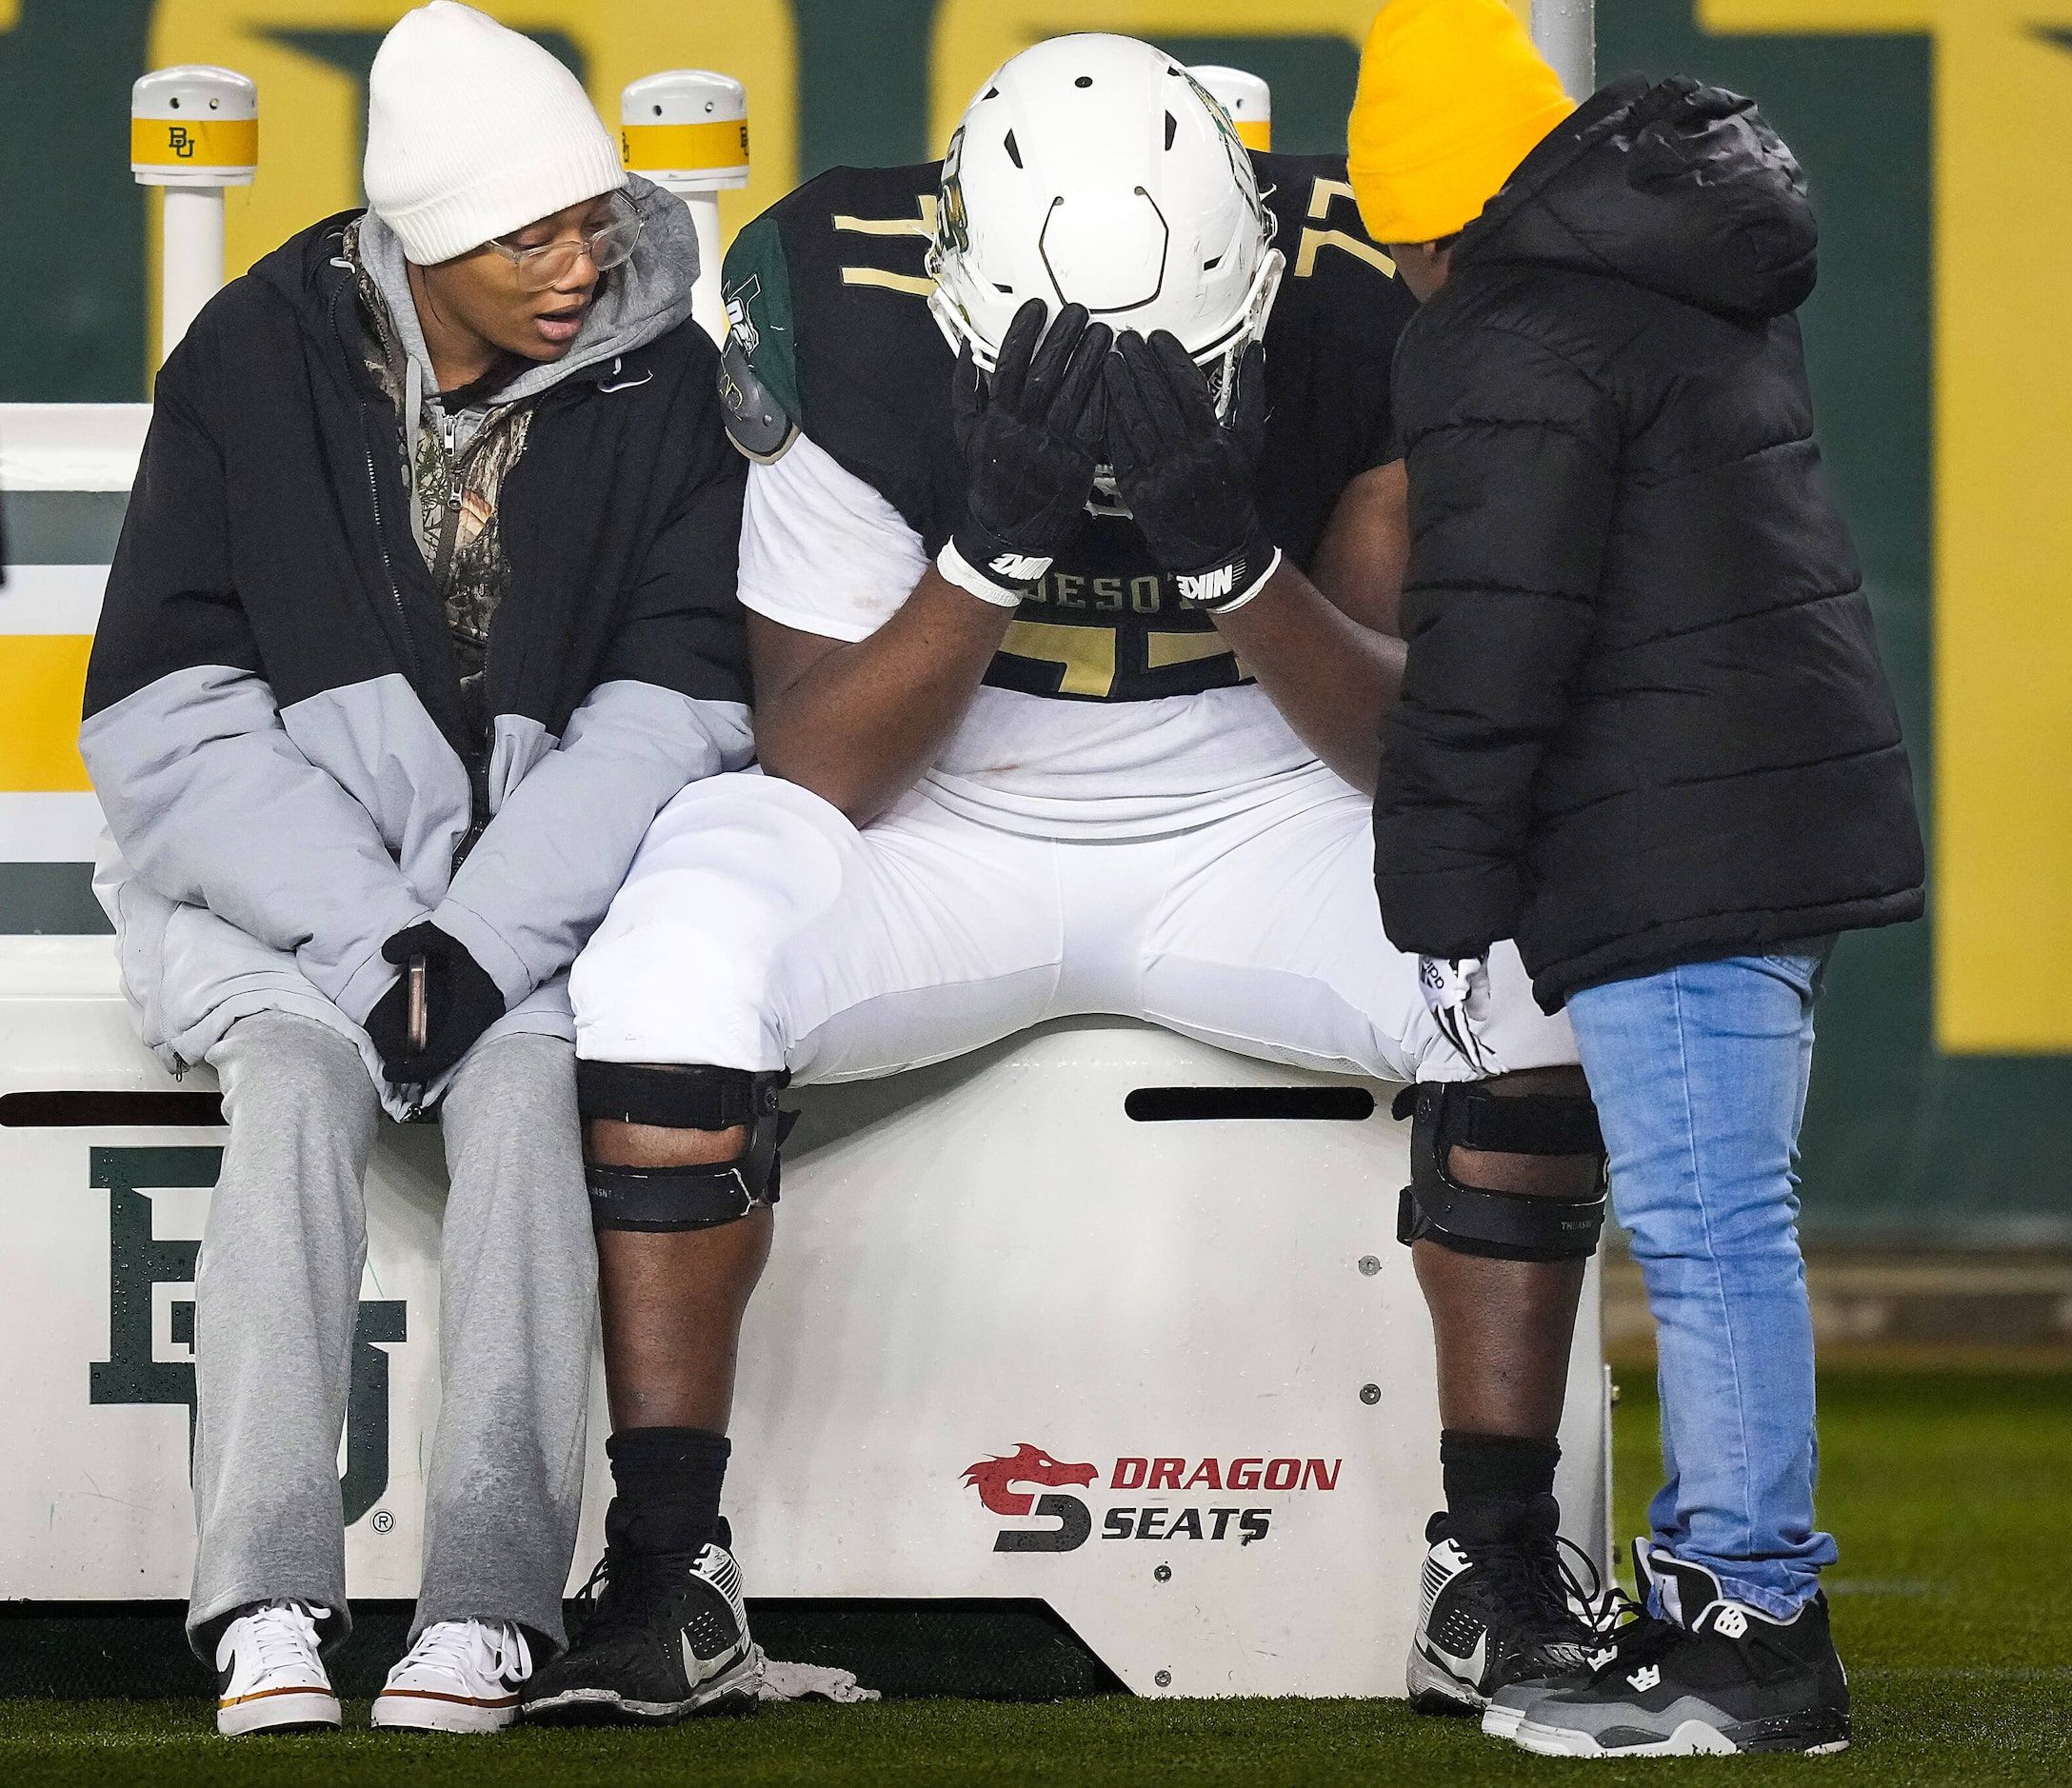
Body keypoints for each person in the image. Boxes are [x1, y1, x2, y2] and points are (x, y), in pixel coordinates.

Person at [527, 31, 1616, 1726]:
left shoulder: (1358, 291)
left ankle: (1499, 1562)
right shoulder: (831, 280)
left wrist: (1232, 555)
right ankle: (668, 1565)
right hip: (940, 806)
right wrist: (991, 551)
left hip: (1258, 792)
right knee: (670, 957)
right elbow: (820, 756)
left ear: (1251, 268)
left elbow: (1408, 755)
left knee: (1524, 982)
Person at [78, 1, 752, 1737]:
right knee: (296, 1082)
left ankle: (491, 1605)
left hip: (510, 911)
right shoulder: (250, 354)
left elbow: (669, 710)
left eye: (589, 219)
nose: (573, 259)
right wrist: (383, 940)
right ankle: (268, 1599)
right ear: (422, 240)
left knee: (531, 1093)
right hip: (272, 905)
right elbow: (169, 723)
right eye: (526, 233)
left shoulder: (670, 379)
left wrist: (473, 938)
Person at [1350, 0, 1928, 1759]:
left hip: (1669, 822)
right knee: (1720, 1217)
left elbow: (1492, 641)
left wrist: (1435, 887)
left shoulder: (1507, 333)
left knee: (1708, 1227)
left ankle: (1750, 1631)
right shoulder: (1681, 272)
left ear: (1423, 208)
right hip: (1761, 806)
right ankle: (1719, 1608)